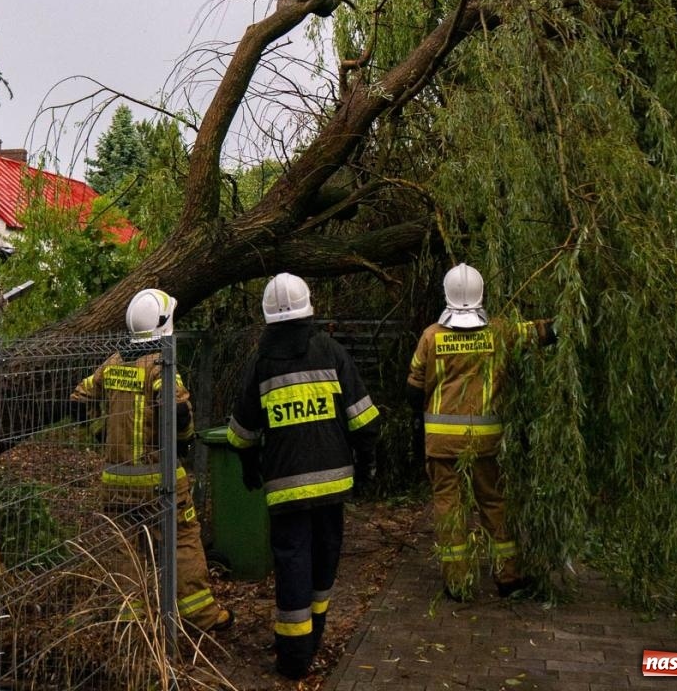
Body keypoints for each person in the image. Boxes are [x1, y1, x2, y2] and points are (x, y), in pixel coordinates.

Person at [226, 273, 380, 680]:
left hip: (285, 489)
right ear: (308, 308)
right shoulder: (330, 351)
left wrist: (247, 463)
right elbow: (363, 419)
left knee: (293, 564)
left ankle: (294, 656)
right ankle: (313, 639)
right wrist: (367, 463)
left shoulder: (260, 364)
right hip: (332, 486)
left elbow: (241, 432)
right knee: (325, 560)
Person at [70, 288, 233, 638]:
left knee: (127, 549)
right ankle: (201, 615)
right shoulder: (162, 365)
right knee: (183, 540)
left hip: (115, 481)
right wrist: (185, 439)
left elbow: (79, 398)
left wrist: (100, 432)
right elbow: (177, 410)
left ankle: (133, 624)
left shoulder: (112, 363)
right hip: (159, 480)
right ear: (165, 323)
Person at [406, 263, 556, 601]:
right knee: (494, 502)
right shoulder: (498, 332)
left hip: (442, 444)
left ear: (446, 295)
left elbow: (413, 390)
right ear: (481, 294)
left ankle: (457, 582)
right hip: (487, 442)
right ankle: (509, 577)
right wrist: (568, 319)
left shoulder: (431, 336)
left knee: (449, 507)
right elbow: (539, 333)